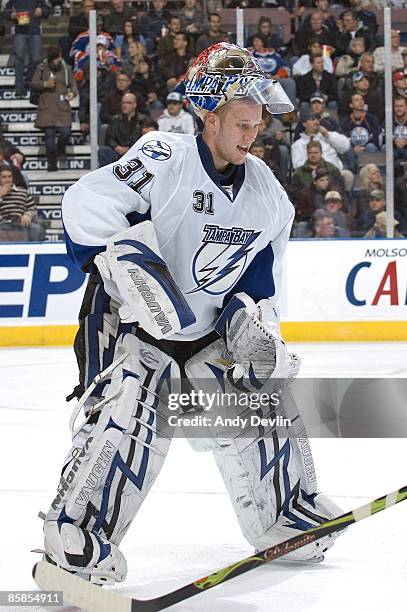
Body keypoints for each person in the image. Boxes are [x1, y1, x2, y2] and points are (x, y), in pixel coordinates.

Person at [41, 42, 343, 586]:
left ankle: (283, 514)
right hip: (132, 325)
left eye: (258, 125)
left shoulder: (269, 195)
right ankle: (77, 532)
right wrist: (119, 259)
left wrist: (255, 327)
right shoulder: (163, 158)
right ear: (209, 113)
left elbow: (260, 280)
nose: (253, 136)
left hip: (206, 332)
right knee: (128, 415)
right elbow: (86, 207)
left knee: (259, 398)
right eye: (242, 123)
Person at [30, 45, 78, 172]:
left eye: (58, 58)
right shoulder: (42, 67)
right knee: (49, 140)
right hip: (47, 108)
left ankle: (61, 149)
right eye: (54, 59)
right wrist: (45, 84)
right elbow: (34, 83)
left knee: (65, 133)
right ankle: (52, 163)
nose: (56, 61)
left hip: (62, 107)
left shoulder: (66, 68)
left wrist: (72, 93)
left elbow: (73, 85)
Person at [4, 0, 50, 97]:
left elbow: (47, 11)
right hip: (19, 32)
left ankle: (29, 81)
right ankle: (19, 86)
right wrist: (11, 14)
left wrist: (42, 11)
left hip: (35, 31)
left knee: (36, 59)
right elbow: (6, 11)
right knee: (19, 58)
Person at [98, 92, 146, 167]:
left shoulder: (143, 120)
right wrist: (117, 147)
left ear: (135, 105)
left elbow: (144, 139)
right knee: (104, 151)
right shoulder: (114, 119)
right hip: (117, 152)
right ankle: (107, 177)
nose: (124, 105)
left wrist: (130, 148)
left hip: (136, 153)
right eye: (123, 103)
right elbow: (109, 138)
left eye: (128, 103)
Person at [0, 165, 44, 240]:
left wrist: (28, 214)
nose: (7, 179)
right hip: (3, 224)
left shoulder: (22, 191)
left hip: (21, 223)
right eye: (4, 177)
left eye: (9, 176)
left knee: (38, 229)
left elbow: (33, 209)